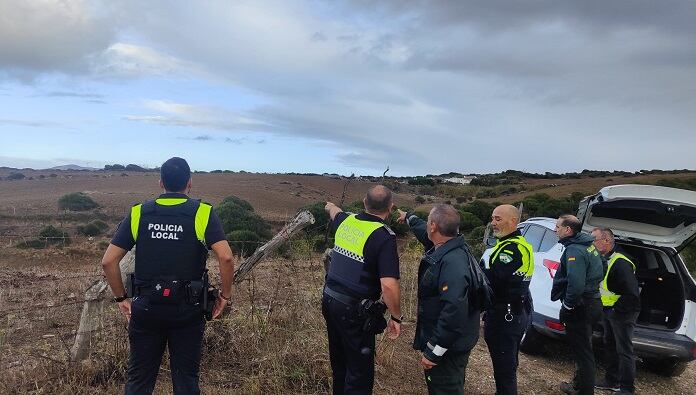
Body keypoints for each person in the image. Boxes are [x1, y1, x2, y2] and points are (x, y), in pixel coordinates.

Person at [101, 157, 235, 395]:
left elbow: (108, 261)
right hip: (188, 310)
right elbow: (225, 257)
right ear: (190, 183)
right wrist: (225, 295)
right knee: (186, 380)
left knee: (139, 380)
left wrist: (121, 299)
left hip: (145, 307)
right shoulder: (202, 213)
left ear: (160, 183)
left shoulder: (138, 213)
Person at [322, 185, 402, 394]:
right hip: (354, 312)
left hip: (330, 301)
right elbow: (389, 284)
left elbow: (334, 212)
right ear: (391, 207)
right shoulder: (384, 236)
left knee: (339, 364)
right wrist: (396, 317)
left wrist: (329, 205)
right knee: (359, 374)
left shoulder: (347, 222)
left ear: (364, 203)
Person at [398, 204, 480, 395]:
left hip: (449, 346)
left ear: (433, 226)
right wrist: (409, 217)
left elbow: (454, 311)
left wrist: (435, 350)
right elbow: (422, 231)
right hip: (452, 341)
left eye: (428, 222)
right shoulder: (449, 246)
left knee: (445, 389)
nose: (426, 226)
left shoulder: (452, 263)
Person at [482, 205, 534, 395]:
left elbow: (493, 279)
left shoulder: (511, 249)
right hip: (513, 311)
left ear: (513, 221)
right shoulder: (514, 243)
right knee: (507, 365)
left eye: (498, 219)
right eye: (493, 219)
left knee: (504, 370)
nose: (493, 223)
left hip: (506, 315)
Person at [551, 215, 604, 395]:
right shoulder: (589, 245)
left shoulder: (574, 250)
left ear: (568, 230)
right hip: (593, 302)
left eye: (557, 226)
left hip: (583, 306)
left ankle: (584, 392)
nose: (554, 229)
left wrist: (567, 307)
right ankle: (579, 387)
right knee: (584, 349)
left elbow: (576, 284)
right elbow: (602, 267)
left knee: (584, 353)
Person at [592, 227, 641, 395]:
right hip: (609, 311)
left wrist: (614, 311)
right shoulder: (605, 257)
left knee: (624, 351)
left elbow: (632, 294)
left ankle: (627, 389)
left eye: (595, 239)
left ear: (607, 240)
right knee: (610, 346)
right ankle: (611, 381)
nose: (593, 243)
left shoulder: (621, 262)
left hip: (622, 312)